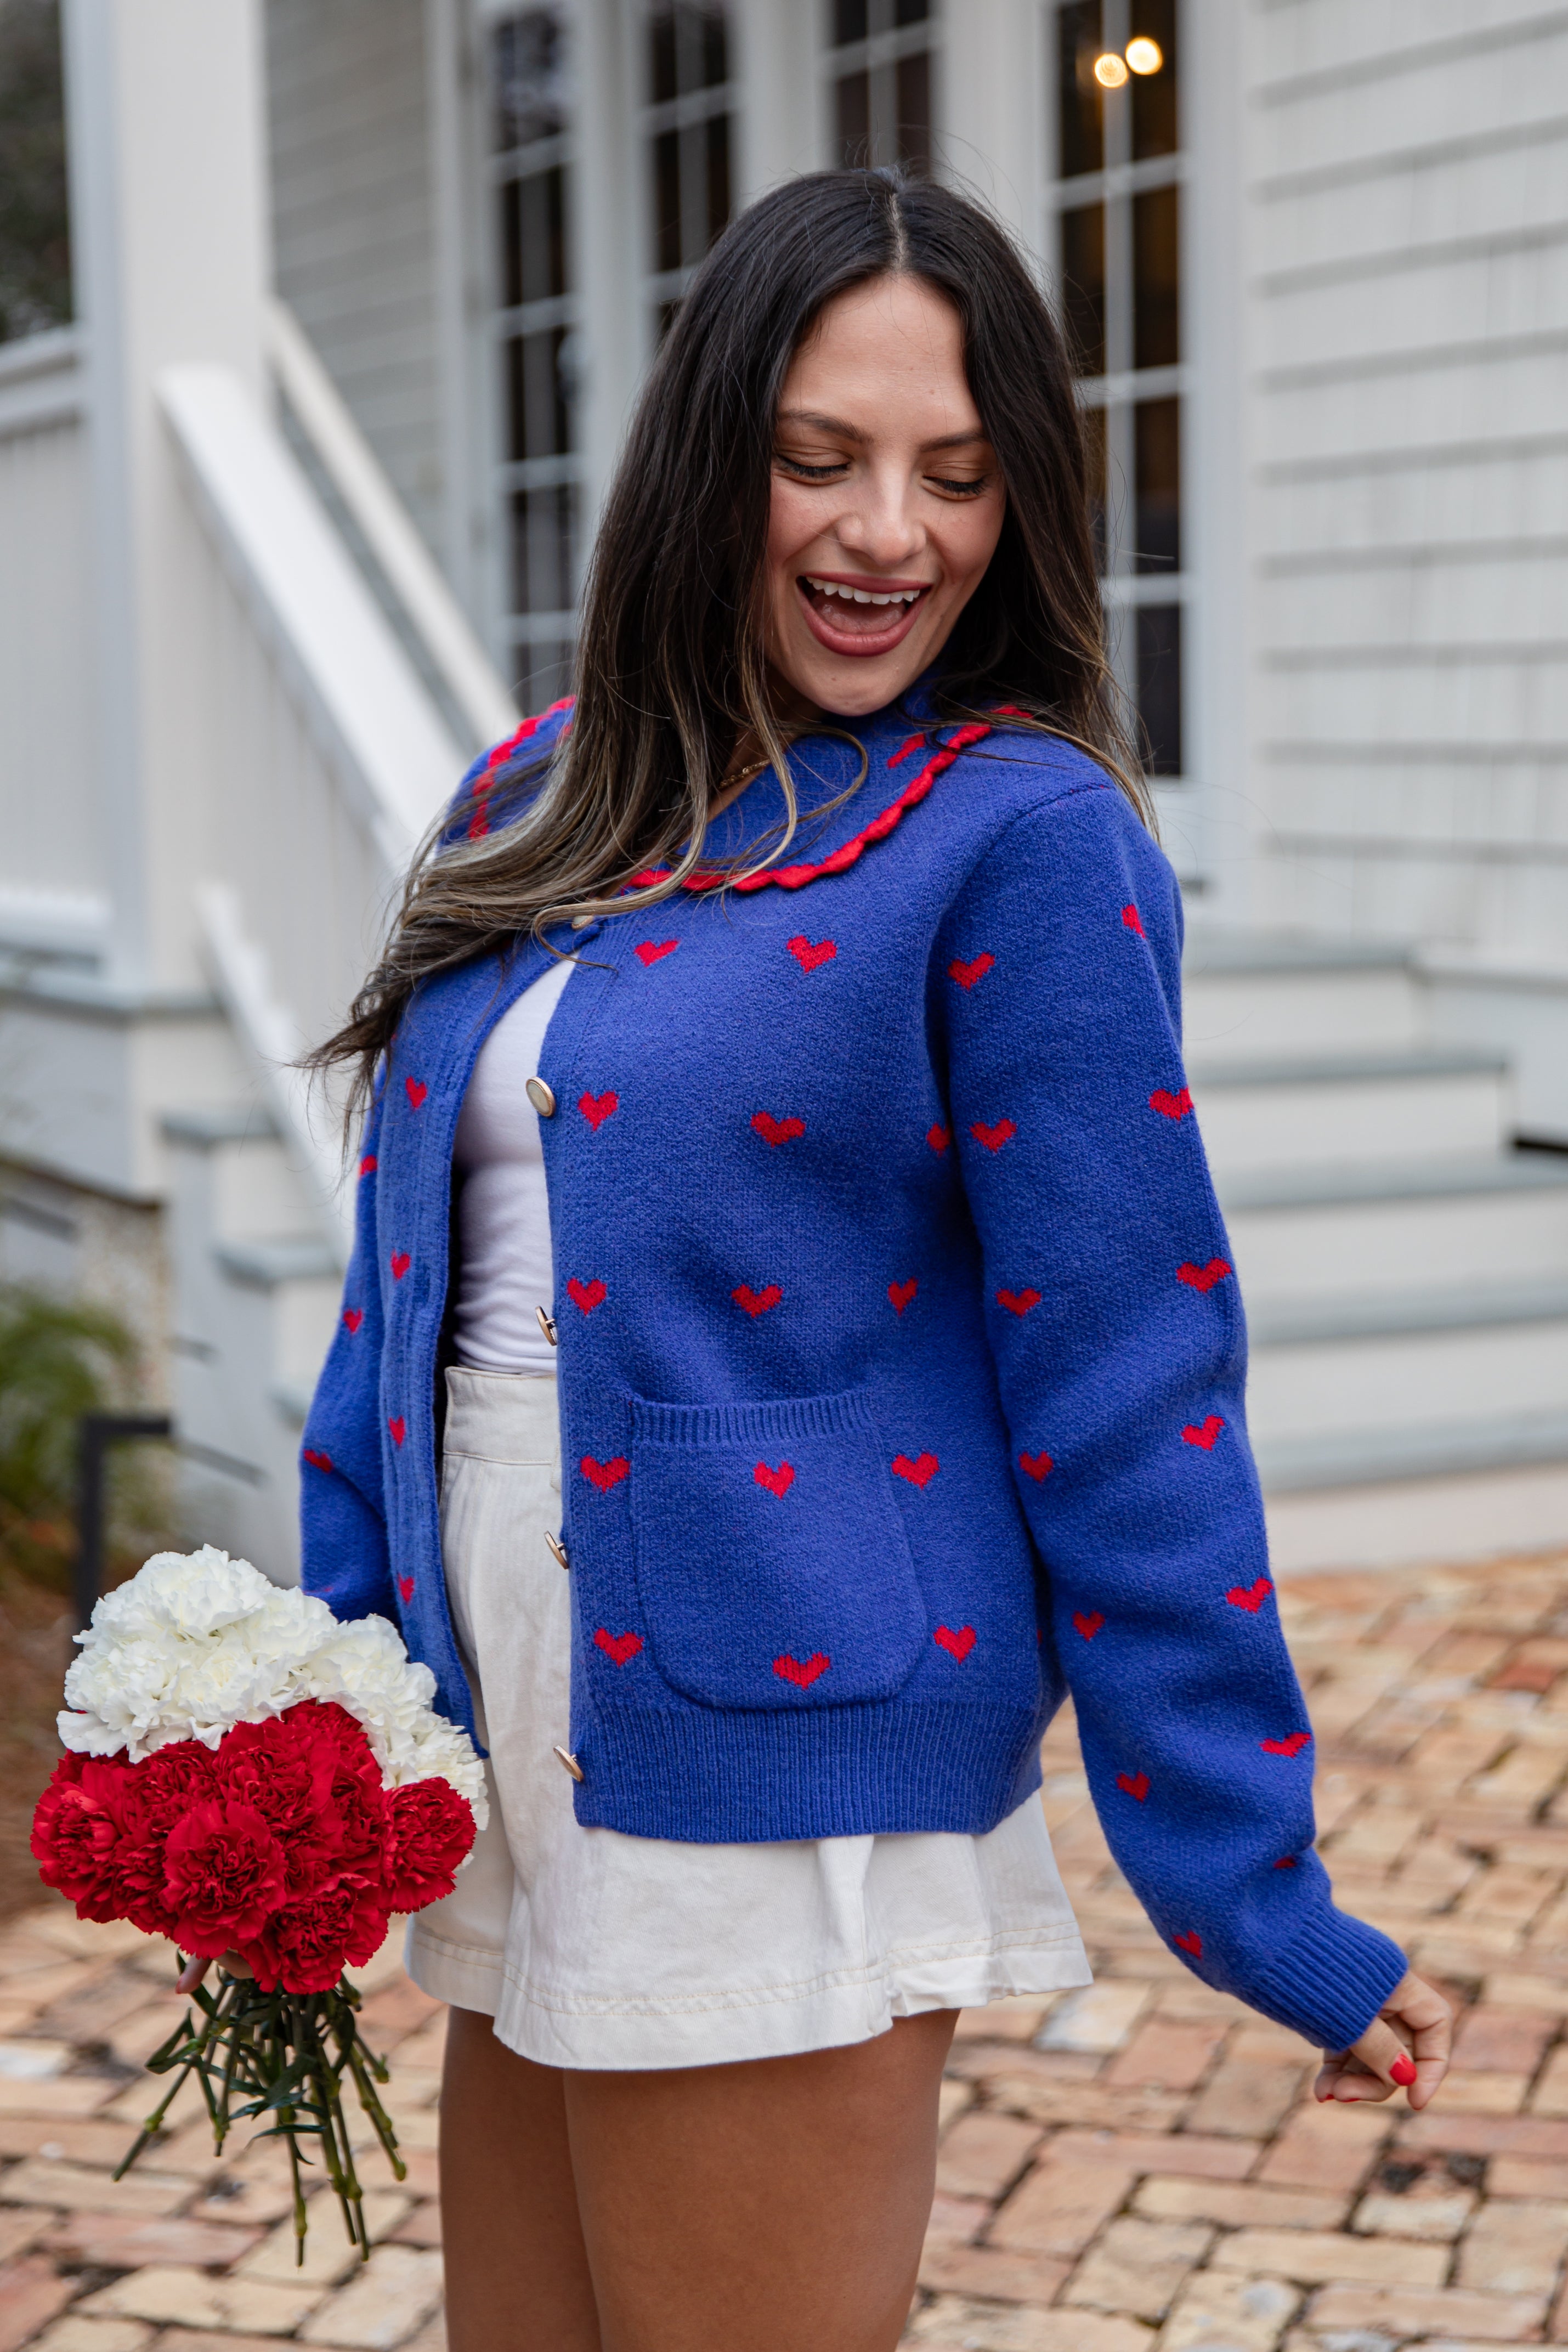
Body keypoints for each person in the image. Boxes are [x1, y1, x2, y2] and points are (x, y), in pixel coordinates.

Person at [299, 168, 1451, 2352]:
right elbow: (402, 1297)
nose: (885, 535)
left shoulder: (1015, 841)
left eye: (955, 475)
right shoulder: (536, 797)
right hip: (521, 1749)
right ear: (707, 457)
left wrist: (1248, 1888)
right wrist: (316, 1695)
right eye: (818, 460)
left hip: (777, 1771)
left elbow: (1127, 1386)